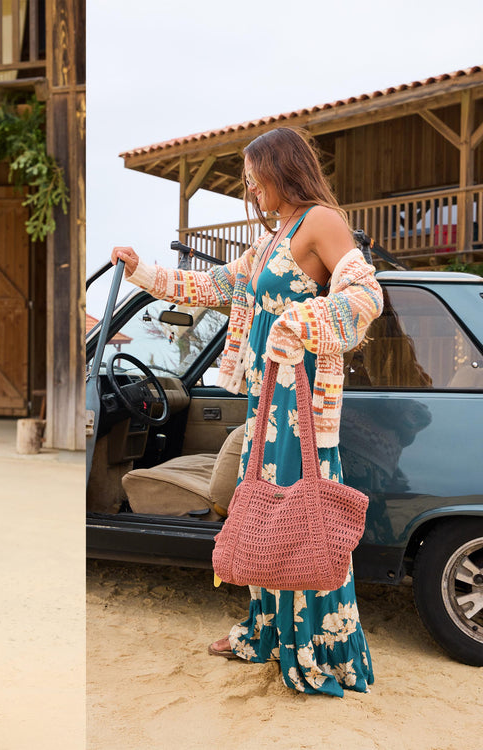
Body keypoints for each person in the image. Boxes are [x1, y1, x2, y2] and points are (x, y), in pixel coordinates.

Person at [110, 127, 383, 696]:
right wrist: (139, 270)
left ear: (282, 170)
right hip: (267, 399)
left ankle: (315, 648)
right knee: (263, 510)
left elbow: (364, 296)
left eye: (255, 176)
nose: (250, 187)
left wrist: (301, 323)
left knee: (302, 515)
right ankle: (266, 632)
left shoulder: (322, 221)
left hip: (303, 398)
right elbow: (213, 285)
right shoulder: (273, 237)